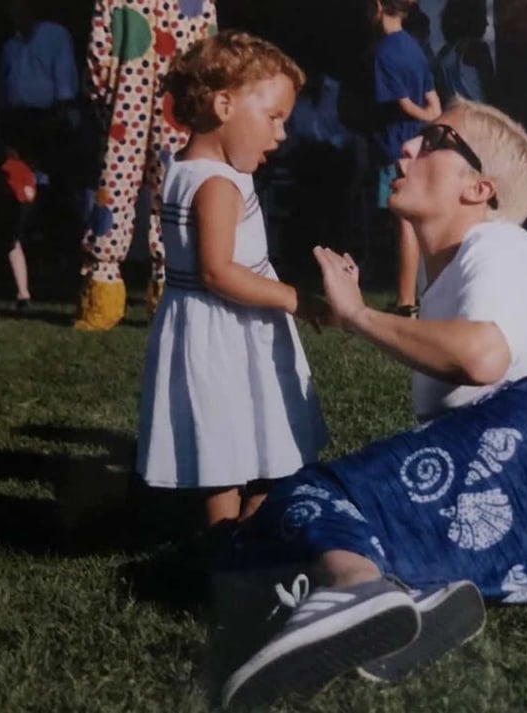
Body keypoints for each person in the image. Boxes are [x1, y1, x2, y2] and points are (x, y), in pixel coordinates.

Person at [214, 99, 527, 708]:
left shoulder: (497, 245)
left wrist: (358, 314)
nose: (407, 149)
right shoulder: (459, 278)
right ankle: (405, 600)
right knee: (289, 539)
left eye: (435, 139)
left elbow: (482, 356)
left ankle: (355, 590)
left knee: (305, 499)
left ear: (478, 189)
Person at [135, 31, 330, 536]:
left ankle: (232, 535)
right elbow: (218, 271)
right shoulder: (216, 184)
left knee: (226, 434)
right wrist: (294, 298)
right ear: (224, 105)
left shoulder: (184, 166)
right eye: (273, 117)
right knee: (247, 430)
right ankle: (233, 544)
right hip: (229, 327)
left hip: (202, 322)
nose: (281, 134)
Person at [74, 0, 217, 331]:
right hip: (177, 110)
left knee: (114, 191)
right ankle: (169, 290)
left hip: (126, 103)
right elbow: (210, 53)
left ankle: (102, 291)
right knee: (173, 194)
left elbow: (97, 55)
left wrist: (104, 101)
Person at [0, 0, 81, 310]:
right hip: (19, 123)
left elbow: (64, 80)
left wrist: (61, 117)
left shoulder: (54, 35)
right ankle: (20, 271)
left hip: (50, 120)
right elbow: (6, 88)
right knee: (19, 193)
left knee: (57, 195)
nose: (15, 14)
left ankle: (66, 271)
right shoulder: (11, 45)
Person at [372, 0, 441, 317]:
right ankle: (429, 295)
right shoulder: (416, 49)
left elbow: (400, 103)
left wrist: (422, 113)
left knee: (404, 222)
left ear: (376, 6)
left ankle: (405, 301)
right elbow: (432, 99)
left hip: (395, 146)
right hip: (421, 142)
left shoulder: (384, 52)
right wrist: (431, 116)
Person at [437, 0, 496, 103]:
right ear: (473, 18)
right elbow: (491, 91)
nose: (486, 23)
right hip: (477, 113)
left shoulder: (444, 53)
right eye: (483, 16)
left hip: (453, 112)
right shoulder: (477, 49)